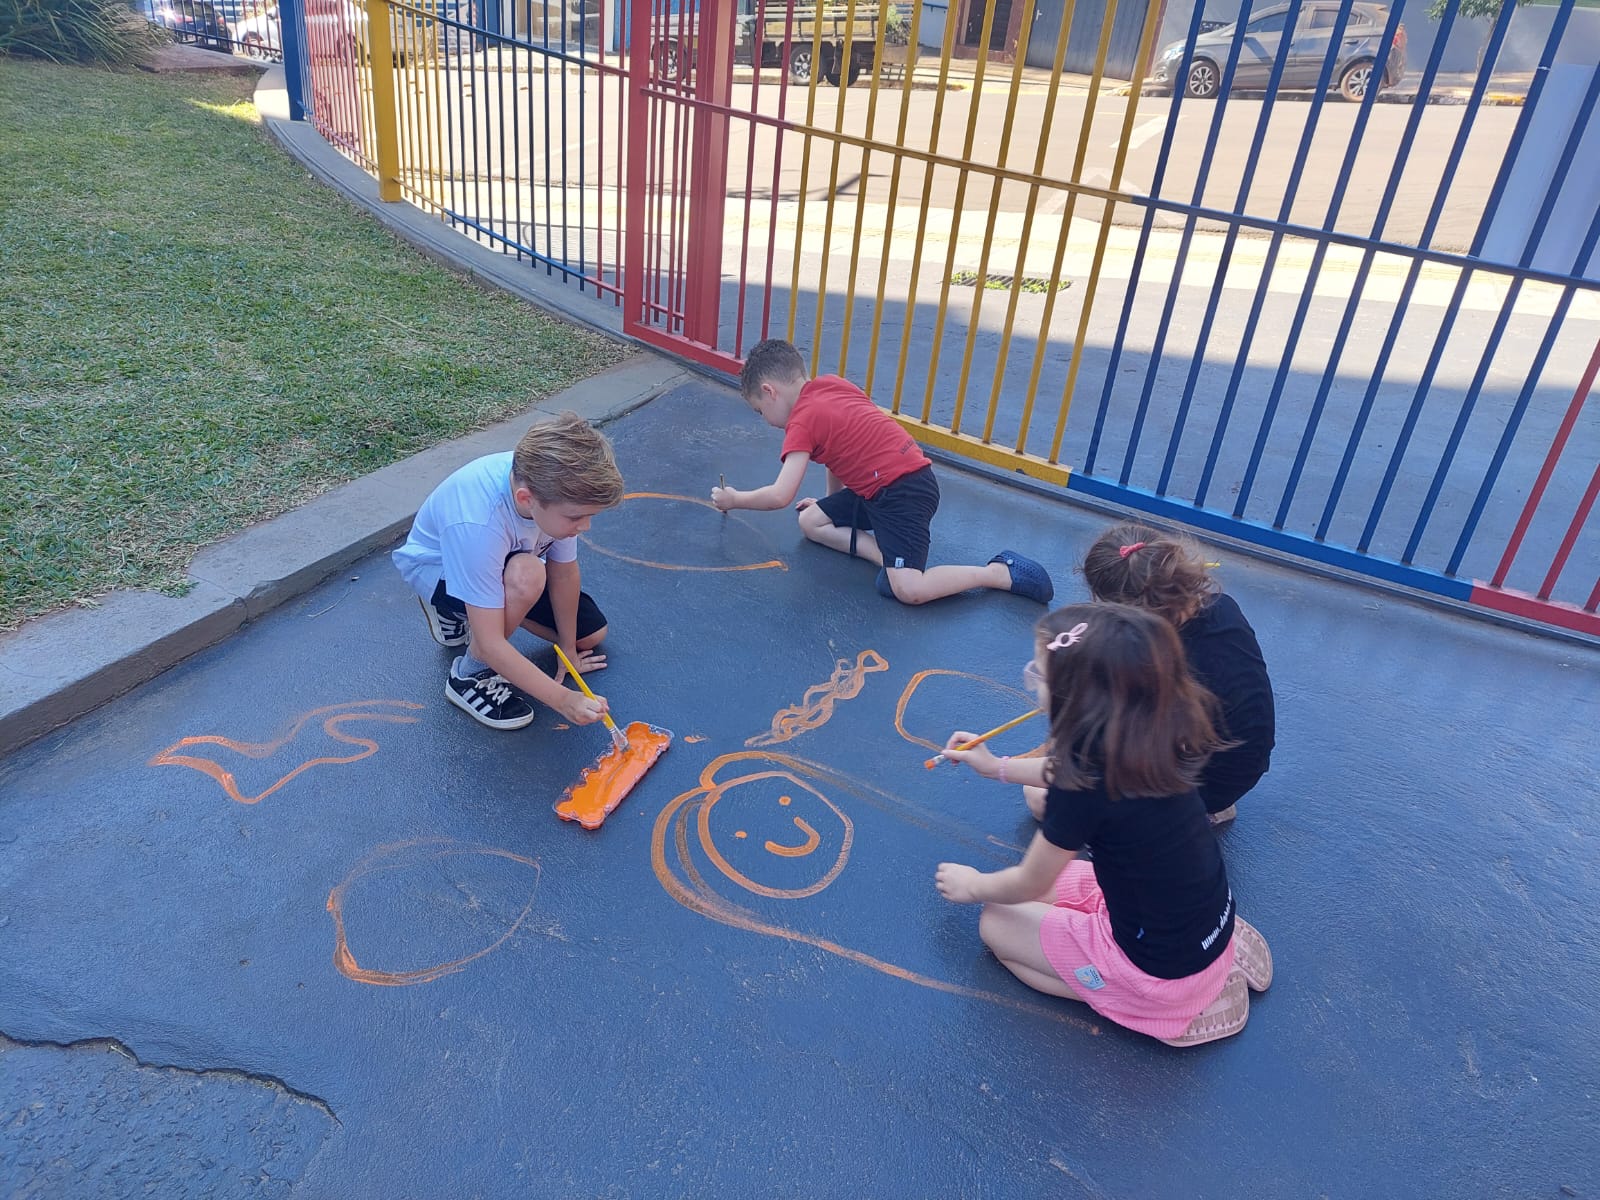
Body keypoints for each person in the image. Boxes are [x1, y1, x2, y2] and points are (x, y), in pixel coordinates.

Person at [934, 603, 1273, 1047]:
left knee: (995, 922)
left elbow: (1029, 880)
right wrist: (996, 766)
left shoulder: (1080, 792)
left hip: (1158, 972)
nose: (1033, 683)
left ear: (1074, 702)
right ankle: (1203, 976)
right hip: (1206, 927)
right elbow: (1071, 770)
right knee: (1063, 886)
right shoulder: (1153, 732)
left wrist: (972, 885)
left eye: (1038, 676)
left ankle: (1152, 1009)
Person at [711, 339, 1054, 607]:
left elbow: (780, 496)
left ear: (770, 391)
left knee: (909, 590)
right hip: (883, 486)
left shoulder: (801, 420)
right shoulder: (831, 385)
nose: (765, 419)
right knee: (812, 521)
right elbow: (839, 454)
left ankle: (998, 573)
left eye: (760, 411)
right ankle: (887, 560)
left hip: (904, 494)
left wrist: (734, 499)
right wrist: (832, 504)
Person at [392, 411, 622, 731]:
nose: (585, 526)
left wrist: (568, 651)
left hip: (504, 561)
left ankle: (464, 612)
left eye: (589, 516)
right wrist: (563, 699)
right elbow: (490, 644)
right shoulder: (479, 522)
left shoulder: (555, 489)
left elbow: (564, 573)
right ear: (526, 500)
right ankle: (467, 676)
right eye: (576, 517)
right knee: (528, 576)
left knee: (590, 635)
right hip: (438, 570)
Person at [1079, 522, 1274, 825]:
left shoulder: (1162, 662)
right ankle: (1202, 808)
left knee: (1043, 798)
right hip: (1245, 766)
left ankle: (1183, 819)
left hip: (1206, 783)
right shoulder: (1222, 605)